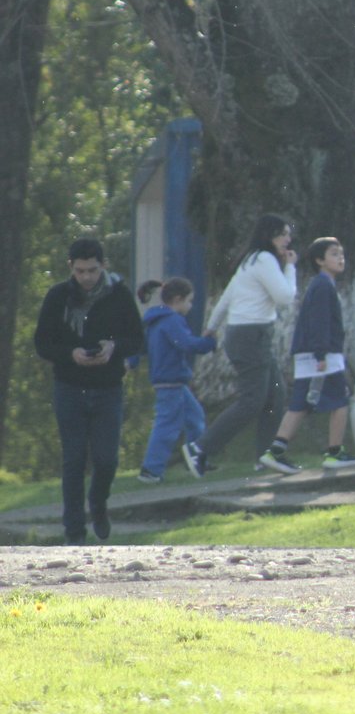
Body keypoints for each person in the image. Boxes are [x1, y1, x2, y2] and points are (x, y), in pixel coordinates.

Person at [32, 238, 145, 544]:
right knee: (74, 458)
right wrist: (71, 354)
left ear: (103, 266)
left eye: (93, 270)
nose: (87, 277)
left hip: (108, 388)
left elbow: (137, 339)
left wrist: (114, 347)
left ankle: (98, 502)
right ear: (71, 267)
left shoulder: (118, 294)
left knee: (107, 458)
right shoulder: (58, 296)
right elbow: (42, 342)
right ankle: (74, 531)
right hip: (69, 386)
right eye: (80, 271)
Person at [183, 214, 296, 477]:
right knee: (252, 400)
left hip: (250, 335)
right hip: (250, 336)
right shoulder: (265, 260)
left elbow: (227, 297)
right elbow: (284, 297)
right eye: (283, 234)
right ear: (270, 236)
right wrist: (291, 267)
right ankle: (200, 448)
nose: (288, 240)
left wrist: (211, 326)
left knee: (275, 396)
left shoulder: (250, 260)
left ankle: (266, 457)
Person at [258, 236, 355, 473]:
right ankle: (335, 452)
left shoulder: (322, 285)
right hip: (322, 356)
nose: (340, 258)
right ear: (319, 260)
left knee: (301, 404)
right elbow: (319, 322)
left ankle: (275, 451)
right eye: (334, 254)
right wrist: (321, 354)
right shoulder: (323, 286)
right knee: (341, 401)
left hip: (311, 355)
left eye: (342, 254)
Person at [136, 278, 218, 485]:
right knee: (167, 425)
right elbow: (187, 344)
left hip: (171, 381)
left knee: (195, 418)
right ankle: (151, 469)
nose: (191, 306)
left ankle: (198, 457)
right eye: (189, 301)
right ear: (178, 300)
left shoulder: (155, 321)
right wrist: (208, 342)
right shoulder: (172, 320)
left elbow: (142, 347)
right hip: (170, 381)